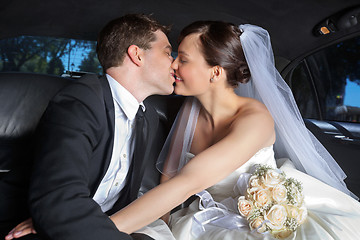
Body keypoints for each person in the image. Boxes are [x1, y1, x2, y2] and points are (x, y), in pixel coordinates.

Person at [9, 20, 360, 239]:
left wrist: (74, 228)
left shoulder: (254, 119)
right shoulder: (187, 110)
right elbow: (165, 192)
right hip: (196, 219)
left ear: (215, 72)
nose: (174, 65)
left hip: (261, 224)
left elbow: (185, 184)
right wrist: (66, 224)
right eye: (172, 54)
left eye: (183, 59)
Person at [5, 14, 175, 240]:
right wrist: (60, 218)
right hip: (24, 226)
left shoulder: (148, 118)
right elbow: (59, 201)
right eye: (167, 52)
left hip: (91, 225)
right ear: (137, 55)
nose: (174, 62)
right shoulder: (81, 101)